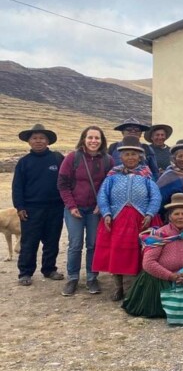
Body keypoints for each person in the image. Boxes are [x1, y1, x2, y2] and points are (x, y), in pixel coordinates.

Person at [93, 136, 162, 301]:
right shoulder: (112, 175)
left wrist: (150, 213)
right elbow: (103, 195)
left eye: (134, 154)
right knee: (116, 252)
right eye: (127, 154)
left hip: (141, 219)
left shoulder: (146, 175)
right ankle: (119, 287)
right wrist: (107, 213)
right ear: (121, 157)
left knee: (141, 252)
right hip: (117, 219)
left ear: (140, 157)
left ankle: (138, 287)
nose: (130, 157)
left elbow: (155, 196)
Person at [122, 193, 183, 318]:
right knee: (158, 306)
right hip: (162, 277)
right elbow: (148, 263)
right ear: (169, 216)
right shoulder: (160, 234)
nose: (180, 217)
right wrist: (171, 276)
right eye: (176, 214)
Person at [57, 125, 114, 296]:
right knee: (75, 244)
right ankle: (72, 278)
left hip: (95, 210)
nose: (93, 141)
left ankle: (91, 277)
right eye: (90, 137)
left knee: (93, 244)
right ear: (83, 139)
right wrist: (71, 205)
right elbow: (62, 184)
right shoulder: (72, 158)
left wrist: (102, 205)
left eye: (97, 138)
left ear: (102, 141)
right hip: (75, 208)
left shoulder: (108, 160)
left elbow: (109, 186)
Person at [13, 123, 66, 286]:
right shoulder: (24, 162)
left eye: (42, 138)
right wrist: (20, 207)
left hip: (55, 208)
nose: (38, 141)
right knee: (29, 241)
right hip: (31, 209)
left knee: (52, 240)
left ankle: (49, 269)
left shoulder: (57, 159)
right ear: (29, 141)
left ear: (48, 141)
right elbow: (17, 186)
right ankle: (25, 272)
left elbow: (67, 181)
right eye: (34, 138)